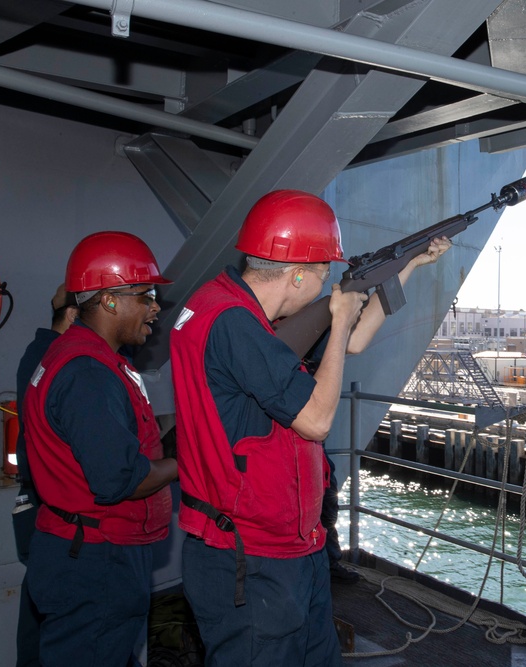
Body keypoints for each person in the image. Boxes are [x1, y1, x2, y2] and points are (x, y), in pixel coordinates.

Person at [170, 189, 449, 666]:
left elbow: (353, 343)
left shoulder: (234, 311)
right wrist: (337, 323)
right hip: (253, 561)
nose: (325, 286)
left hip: (289, 549)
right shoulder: (237, 324)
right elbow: (317, 421)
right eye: (322, 275)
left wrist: (407, 266)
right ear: (297, 274)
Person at [22, 231, 179, 667]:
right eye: (146, 295)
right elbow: (119, 479)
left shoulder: (87, 358)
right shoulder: (88, 373)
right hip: (96, 561)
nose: (155, 308)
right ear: (110, 301)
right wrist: (181, 463)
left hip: (88, 551)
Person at [11, 283, 78, 667]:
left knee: (42, 614)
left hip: (34, 504)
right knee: (57, 621)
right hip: (45, 507)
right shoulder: (54, 358)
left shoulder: (37, 354)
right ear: (72, 315)